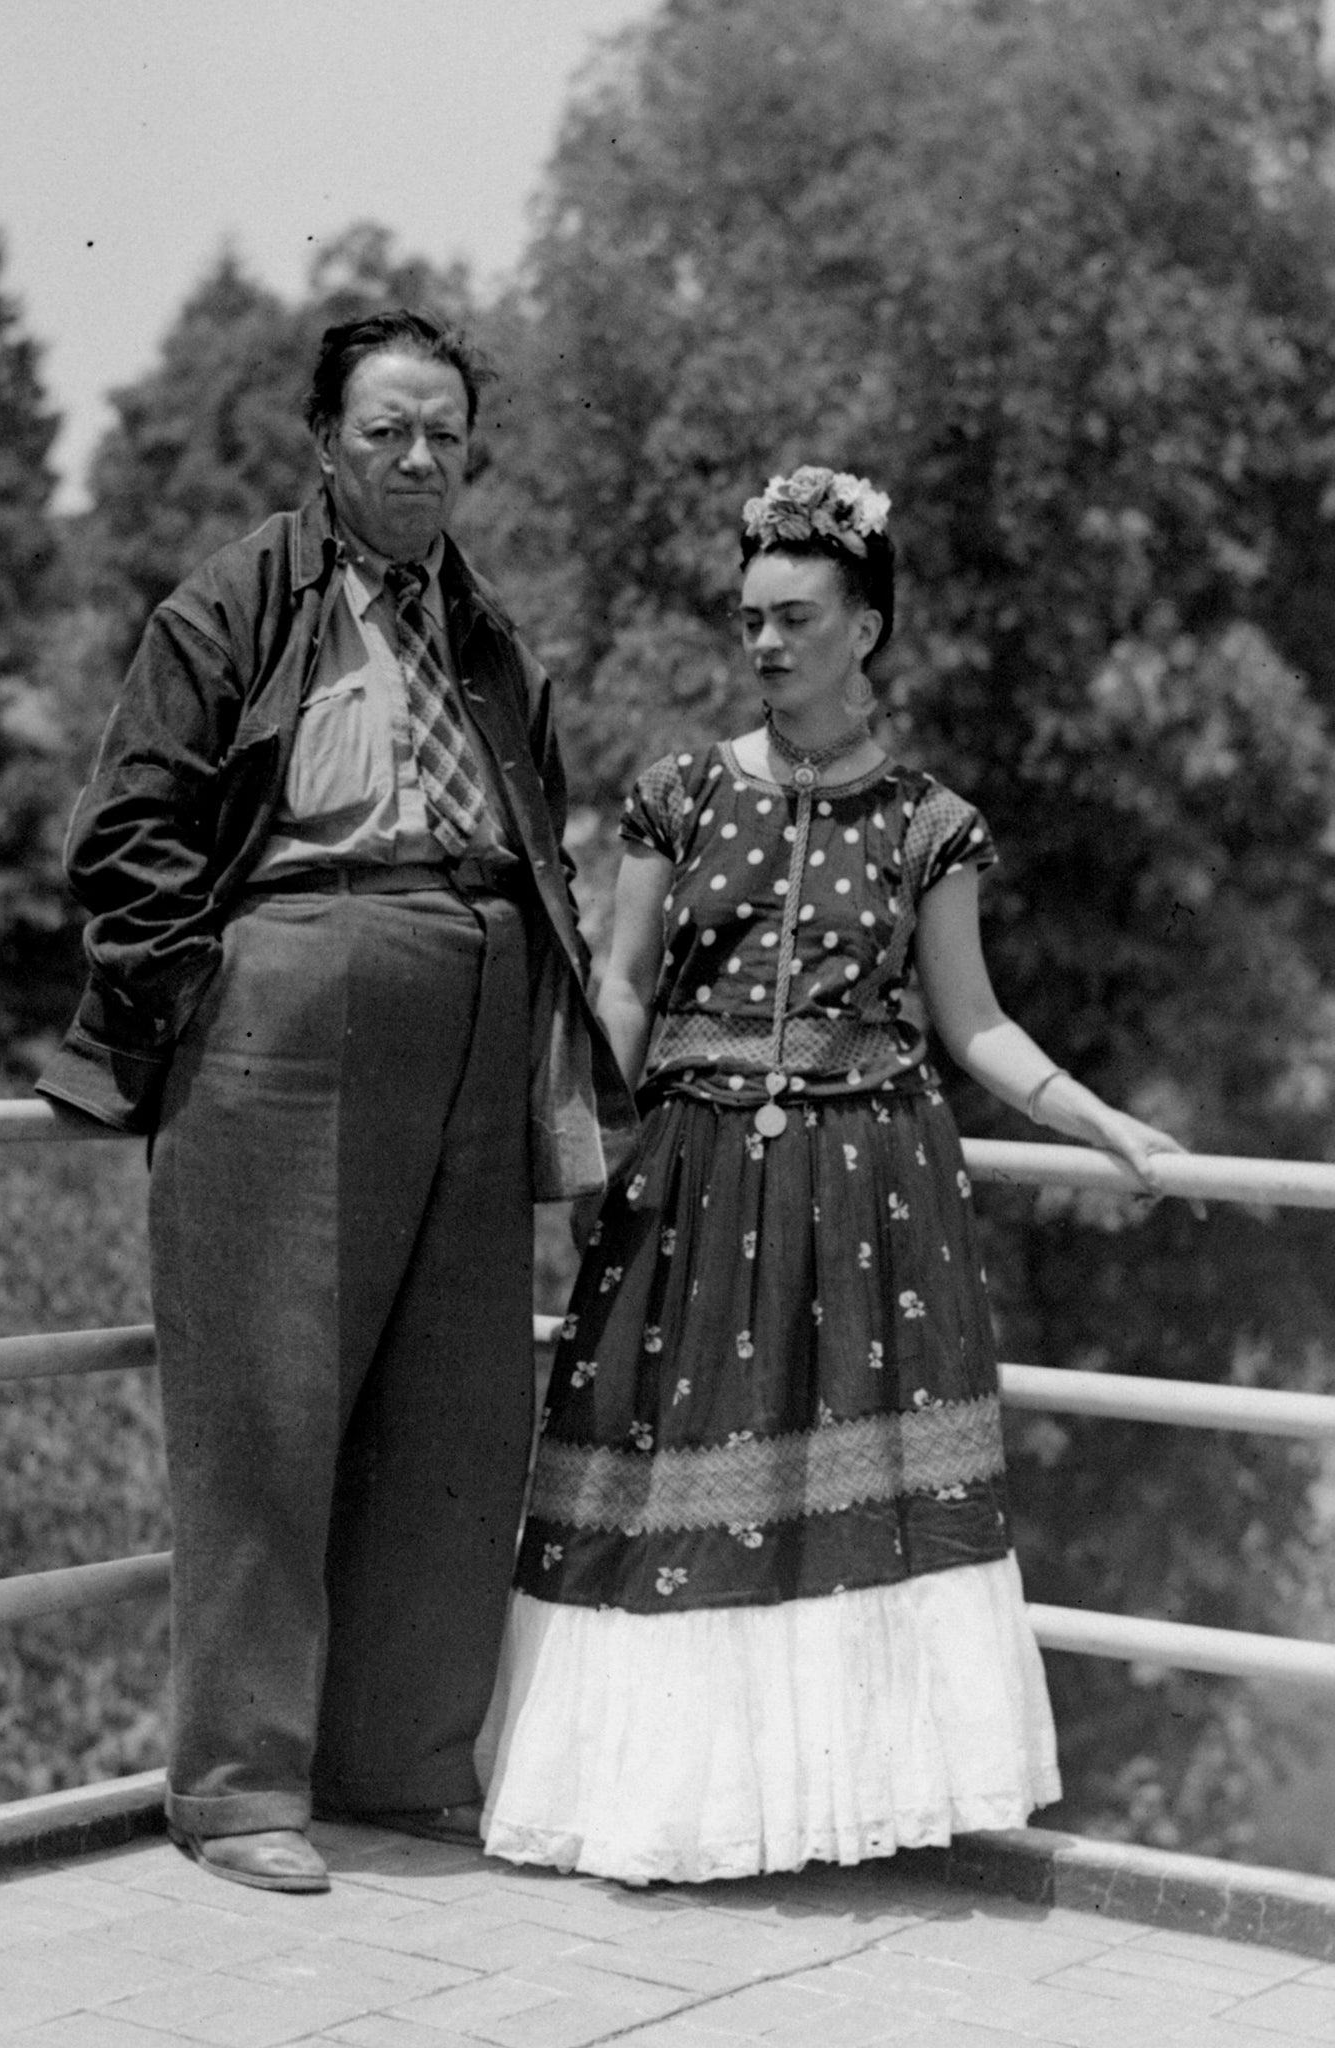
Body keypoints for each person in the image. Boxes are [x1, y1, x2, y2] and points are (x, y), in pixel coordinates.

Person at [478, 462, 1185, 1884]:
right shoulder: (678, 796)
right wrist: (544, 1132)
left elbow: (972, 1021)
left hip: (870, 1192)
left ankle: (826, 1814)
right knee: (671, 1486)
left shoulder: (930, 825)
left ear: (865, 628)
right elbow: (619, 993)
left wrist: (1110, 1124)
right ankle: (668, 1814)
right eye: (751, 617)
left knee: (837, 1498)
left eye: (797, 616)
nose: (766, 642)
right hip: (689, 1185)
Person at [38, 310, 636, 1894]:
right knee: (268, 1399)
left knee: (457, 1409)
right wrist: (220, 996)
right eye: (388, 432)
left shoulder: (489, 634)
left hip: (478, 1001)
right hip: (292, 996)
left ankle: (404, 1764)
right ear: (325, 443)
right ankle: (239, 1790)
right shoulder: (235, 601)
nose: (422, 459)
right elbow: (126, 837)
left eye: (445, 432)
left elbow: (548, 841)